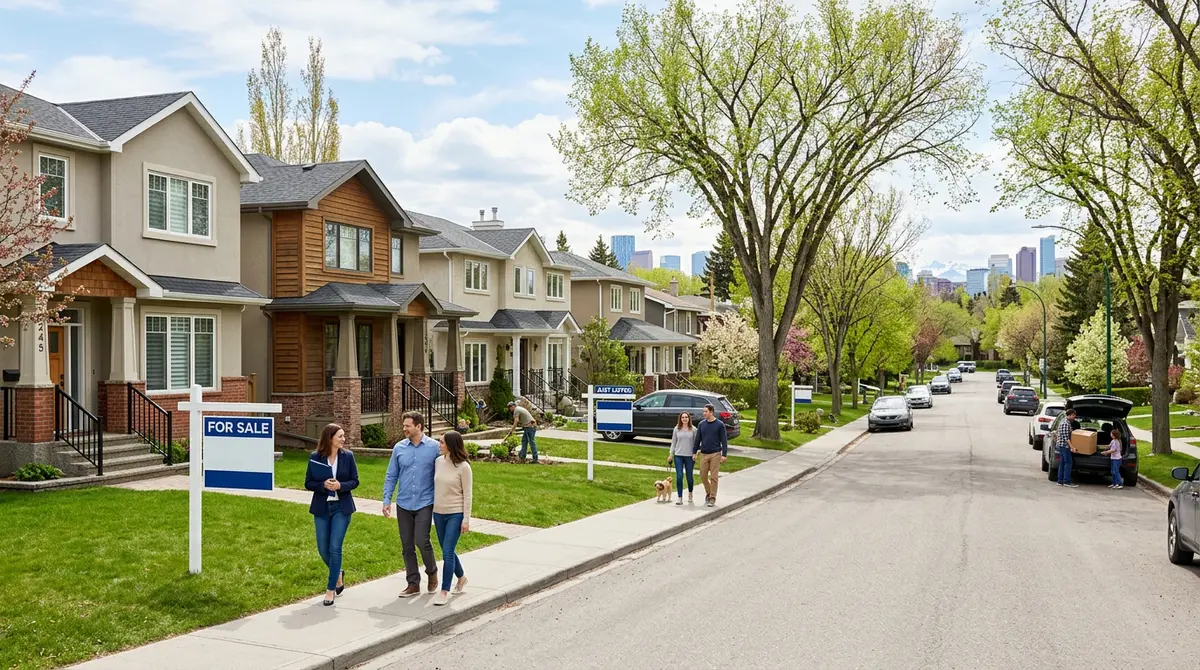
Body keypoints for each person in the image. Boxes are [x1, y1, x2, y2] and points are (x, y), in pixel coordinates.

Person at [382, 411, 441, 597]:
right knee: (407, 545)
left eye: (407, 426)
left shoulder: (434, 447)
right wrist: (386, 499)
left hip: (425, 501)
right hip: (404, 502)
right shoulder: (399, 448)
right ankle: (413, 583)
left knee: (421, 540)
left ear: (419, 427)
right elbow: (391, 475)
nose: (404, 429)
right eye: (404, 425)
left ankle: (432, 572)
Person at [305, 423, 359, 606]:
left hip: (341, 508)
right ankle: (338, 574)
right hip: (321, 508)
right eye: (340, 436)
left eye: (344, 436)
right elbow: (308, 483)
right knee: (322, 548)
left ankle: (330, 590)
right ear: (330, 438)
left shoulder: (348, 457)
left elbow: (355, 481)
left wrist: (340, 486)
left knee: (335, 547)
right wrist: (323, 485)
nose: (344, 439)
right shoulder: (315, 457)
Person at [432, 430, 473, 606]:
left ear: (450, 445)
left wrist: (466, 519)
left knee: (448, 552)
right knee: (446, 550)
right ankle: (462, 577)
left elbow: (468, 495)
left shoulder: (464, 467)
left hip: (455, 513)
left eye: (441, 442)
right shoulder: (438, 462)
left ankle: (444, 590)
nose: (439, 445)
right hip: (438, 513)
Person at [693, 403, 728, 507]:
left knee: (714, 477)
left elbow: (724, 441)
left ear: (711, 412)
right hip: (704, 453)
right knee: (703, 475)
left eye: (706, 411)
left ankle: (712, 497)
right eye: (703, 411)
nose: (704, 413)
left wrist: (724, 454)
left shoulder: (720, 425)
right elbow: (697, 439)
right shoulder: (701, 424)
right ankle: (708, 492)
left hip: (715, 454)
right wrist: (694, 452)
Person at [669, 411, 697, 505]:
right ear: (680, 419)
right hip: (678, 455)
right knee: (679, 476)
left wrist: (695, 453)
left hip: (689, 456)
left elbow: (696, 444)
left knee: (689, 477)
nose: (684, 419)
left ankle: (690, 493)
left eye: (686, 417)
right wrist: (671, 454)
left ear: (689, 419)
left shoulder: (693, 430)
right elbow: (673, 442)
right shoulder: (676, 429)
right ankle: (679, 497)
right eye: (682, 417)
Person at [1054, 408, 1079, 488]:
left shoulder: (1065, 421)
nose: (1074, 417)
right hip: (1064, 446)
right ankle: (1066, 481)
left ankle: (1060, 480)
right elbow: (1066, 438)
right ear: (1070, 415)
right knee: (1068, 463)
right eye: (1074, 415)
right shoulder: (1065, 423)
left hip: (1062, 446)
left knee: (1062, 463)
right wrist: (1072, 447)